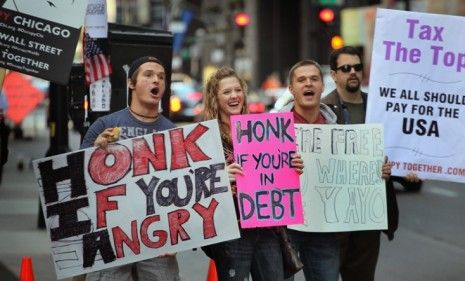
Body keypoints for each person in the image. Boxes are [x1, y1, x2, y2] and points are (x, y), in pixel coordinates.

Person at [81, 56, 181, 281]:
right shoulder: (105, 125)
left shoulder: (173, 132)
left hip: (158, 236)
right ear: (131, 83)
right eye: (148, 75)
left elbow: (182, 189)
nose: (156, 80)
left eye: (161, 77)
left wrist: (180, 236)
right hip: (111, 234)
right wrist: (94, 153)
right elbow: (77, 179)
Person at [201, 66, 304, 281]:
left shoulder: (262, 129)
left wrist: (292, 165)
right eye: (226, 92)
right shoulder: (204, 137)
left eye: (238, 90)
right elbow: (194, 185)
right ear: (215, 97)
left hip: (267, 228)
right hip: (232, 232)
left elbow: (277, 170)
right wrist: (221, 177)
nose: (234, 96)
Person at [321, 46, 397, 281]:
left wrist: (399, 169)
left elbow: (395, 146)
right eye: (346, 68)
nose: (353, 72)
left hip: (368, 214)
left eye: (357, 67)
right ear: (334, 75)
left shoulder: (380, 106)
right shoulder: (321, 111)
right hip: (332, 215)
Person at [278, 60, 340, 281]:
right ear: (291, 89)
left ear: (323, 87)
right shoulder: (273, 129)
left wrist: (376, 170)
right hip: (285, 227)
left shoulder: (338, 130)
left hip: (323, 227)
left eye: (314, 79)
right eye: (301, 80)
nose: (308, 84)